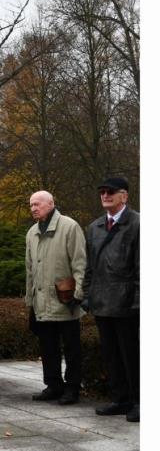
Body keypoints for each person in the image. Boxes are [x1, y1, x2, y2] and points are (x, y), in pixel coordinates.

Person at [24, 191, 87, 405]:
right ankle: (53, 385)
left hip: (66, 298)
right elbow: (29, 269)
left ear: (51, 203)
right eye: (31, 205)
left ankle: (73, 387)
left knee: (71, 348)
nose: (33, 208)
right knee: (47, 346)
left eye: (37, 204)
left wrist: (78, 294)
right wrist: (30, 300)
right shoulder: (32, 232)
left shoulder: (69, 227)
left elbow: (80, 262)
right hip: (41, 300)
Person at [86, 177, 138, 422]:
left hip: (127, 303)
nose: (105, 195)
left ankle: (139, 401)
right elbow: (89, 267)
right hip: (102, 302)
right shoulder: (95, 227)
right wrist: (87, 295)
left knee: (133, 355)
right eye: (102, 192)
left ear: (124, 196)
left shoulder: (138, 224)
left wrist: (138, 302)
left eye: (111, 192)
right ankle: (120, 399)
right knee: (111, 355)